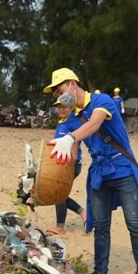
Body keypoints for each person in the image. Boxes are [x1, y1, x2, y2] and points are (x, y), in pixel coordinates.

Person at [44, 68, 138, 274]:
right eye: (56, 93)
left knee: (135, 224)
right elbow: (71, 154)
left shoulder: (101, 100)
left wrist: (71, 137)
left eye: (61, 90)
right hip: (98, 173)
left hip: (122, 168)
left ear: (73, 84)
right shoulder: (71, 118)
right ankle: (101, 272)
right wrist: (45, 177)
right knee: (101, 225)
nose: (59, 95)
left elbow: (94, 125)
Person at [46, 99, 86, 235]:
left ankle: (60, 226)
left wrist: (72, 162)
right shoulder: (61, 121)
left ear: (72, 107)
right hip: (61, 163)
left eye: (65, 107)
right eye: (59, 106)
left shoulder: (73, 120)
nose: (61, 109)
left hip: (70, 165)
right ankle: (83, 213)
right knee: (59, 193)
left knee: (58, 193)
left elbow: (76, 139)